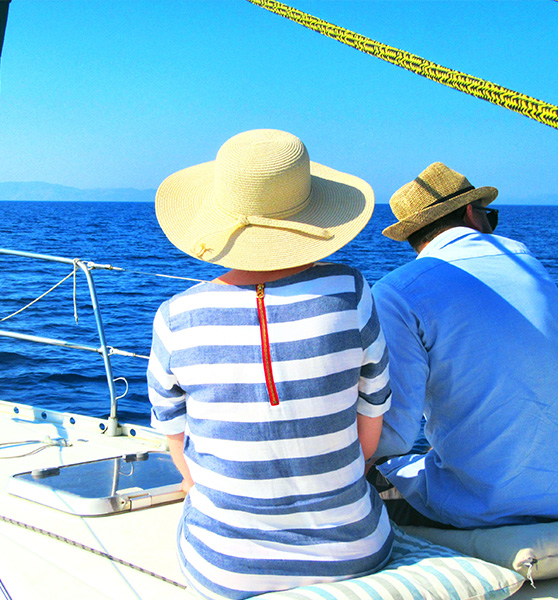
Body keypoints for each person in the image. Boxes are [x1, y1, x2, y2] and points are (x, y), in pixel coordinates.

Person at [147, 129, 393, 599]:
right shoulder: (351, 292)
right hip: (355, 551)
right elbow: (371, 420)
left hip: (226, 569)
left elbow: (178, 444)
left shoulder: (176, 317)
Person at [370, 161, 558, 530]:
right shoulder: (527, 261)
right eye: (489, 216)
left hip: (482, 508)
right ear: (470, 213)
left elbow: (396, 433)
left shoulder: (398, 290)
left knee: (379, 483)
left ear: (413, 235)